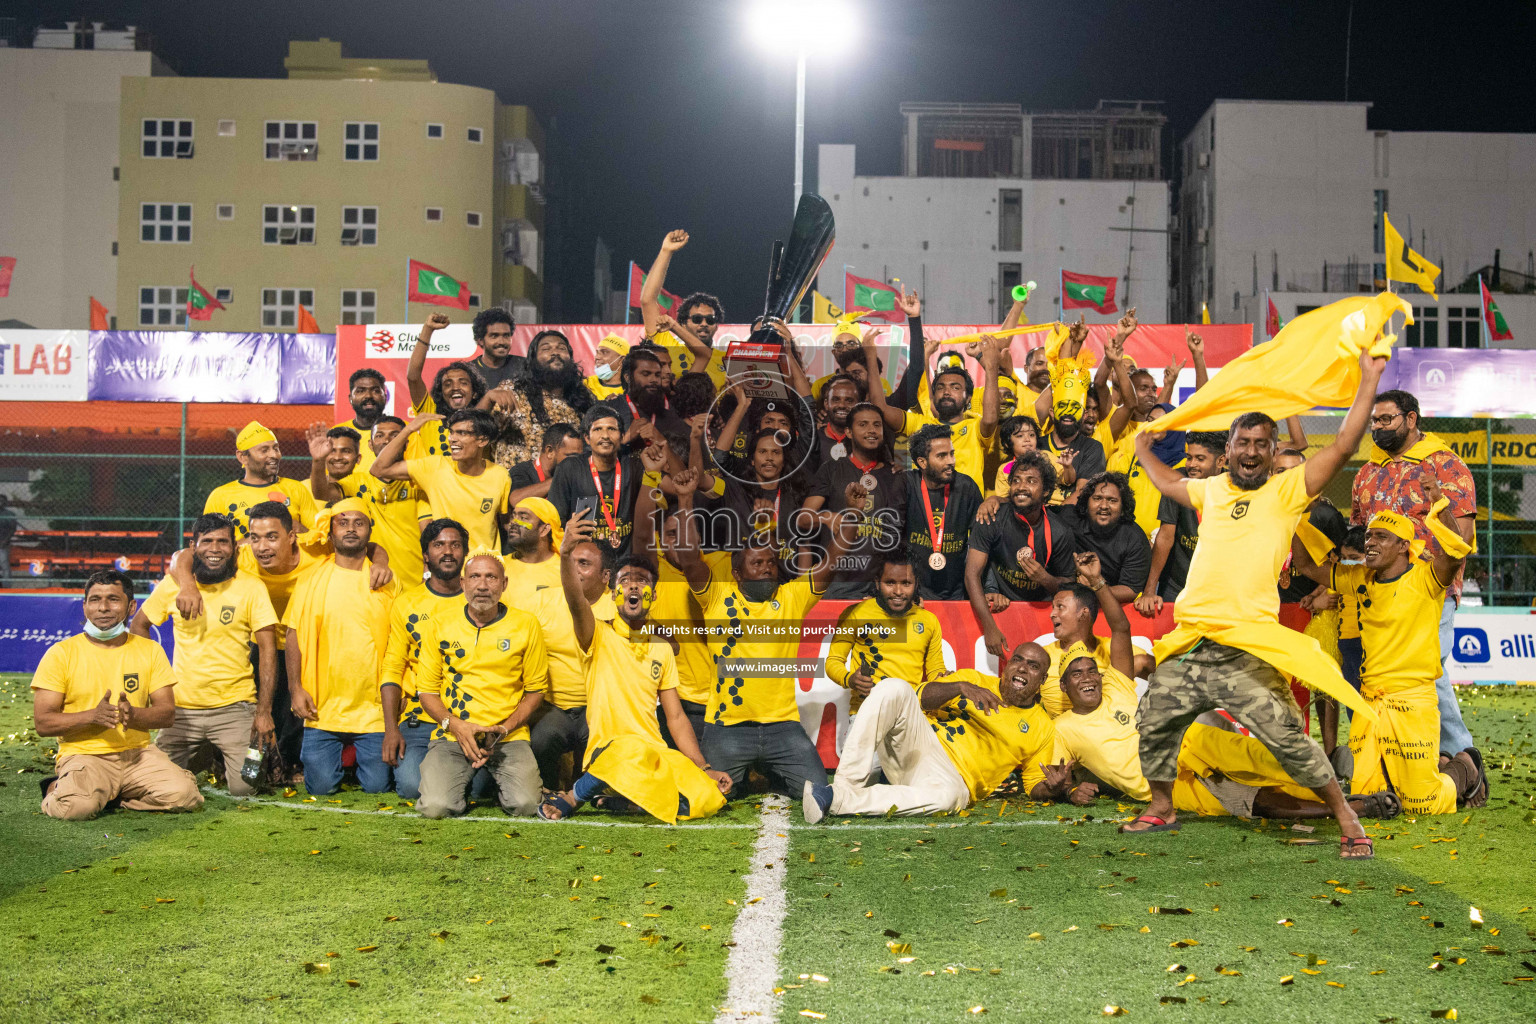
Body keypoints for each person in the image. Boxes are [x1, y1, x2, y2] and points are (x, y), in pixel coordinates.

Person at [1124, 351, 1386, 859]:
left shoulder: (1288, 490)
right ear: (1228, 452)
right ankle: (1162, 806)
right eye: (1242, 443)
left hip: (1245, 650)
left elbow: (1347, 445)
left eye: (1260, 445)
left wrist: (1369, 379)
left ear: (1271, 453)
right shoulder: (1212, 490)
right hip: (1192, 645)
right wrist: (1140, 446)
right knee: (1154, 721)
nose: (1249, 451)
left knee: (1289, 740)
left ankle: (1346, 814)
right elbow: (1168, 483)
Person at [1051, 556, 1349, 820]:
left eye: (1092, 671)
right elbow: (1047, 779)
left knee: (1258, 758)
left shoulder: (1114, 683)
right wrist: (1069, 789)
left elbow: (1121, 628)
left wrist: (1099, 582)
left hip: (1187, 742)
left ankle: (1337, 784)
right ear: (1063, 686)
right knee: (1250, 802)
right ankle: (1353, 805)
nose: (1088, 678)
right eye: (1077, 675)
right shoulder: (1061, 727)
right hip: (1160, 784)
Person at [668, 475, 863, 799]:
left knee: (818, 792)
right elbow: (690, 559)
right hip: (728, 729)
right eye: (756, 563)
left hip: (783, 729)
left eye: (771, 562)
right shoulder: (717, 597)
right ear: (737, 574)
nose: (767, 568)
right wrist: (686, 501)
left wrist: (853, 514)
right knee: (707, 796)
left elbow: (831, 560)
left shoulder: (791, 597)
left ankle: (765, 775)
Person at [1294, 481, 1484, 813]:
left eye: (1381, 537)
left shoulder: (1427, 577)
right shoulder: (1357, 578)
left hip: (1413, 701)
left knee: (1421, 804)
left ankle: (1466, 767)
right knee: (1368, 799)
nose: (1370, 542)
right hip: (1370, 702)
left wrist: (1440, 504)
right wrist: (1293, 516)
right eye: (1369, 536)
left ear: (1402, 547)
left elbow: (1456, 550)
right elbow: (1307, 566)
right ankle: (1435, 763)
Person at [166, 500, 389, 782]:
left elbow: (368, 546)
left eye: (272, 537)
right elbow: (183, 555)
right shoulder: (243, 556)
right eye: (255, 538)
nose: (262, 547)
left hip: (305, 645)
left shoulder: (314, 547)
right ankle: (234, 761)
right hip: (261, 645)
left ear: (291, 537)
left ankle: (291, 764)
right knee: (260, 713)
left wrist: (380, 563)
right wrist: (187, 583)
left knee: (296, 712)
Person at [539, 513, 732, 822]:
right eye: (624, 580)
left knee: (709, 796)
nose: (632, 586)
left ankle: (621, 802)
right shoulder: (596, 633)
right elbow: (575, 599)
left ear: (652, 596)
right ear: (613, 593)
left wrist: (703, 768)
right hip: (610, 756)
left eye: (641, 581)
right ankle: (577, 795)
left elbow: (677, 718)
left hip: (653, 754)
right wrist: (564, 554)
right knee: (630, 747)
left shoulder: (661, 648)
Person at [1350, 387, 1482, 784]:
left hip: (1430, 587)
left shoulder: (1445, 465)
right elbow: (1359, 533)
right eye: (1374, 421)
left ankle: (1463, 758)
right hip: (1379, 593)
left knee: (1428, 670)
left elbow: (1465, 534)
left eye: (1385, 419)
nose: (1377, 427)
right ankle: (1412, 760)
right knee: (1389, 677)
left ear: (1411, 419)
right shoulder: (1366, 472)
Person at [803, 640, 1072, 821]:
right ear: (1008, 664)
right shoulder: (975, 680)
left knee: (948, 799)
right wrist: (959, 687)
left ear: (1042, 680)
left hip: (954, 779)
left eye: (1033, 666)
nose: (1023, 668)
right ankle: (844, 784)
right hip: (918, 746)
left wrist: (1053, 789)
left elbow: (1034, 786)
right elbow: (919, 697)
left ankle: (833, 798)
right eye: (1018, 660)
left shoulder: (1042, 727)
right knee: (894, 687)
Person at [33, 570, 203, 820]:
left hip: (138, 754)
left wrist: (134, 716)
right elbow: (43, 722)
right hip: (85, 754)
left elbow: (166, 714)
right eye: (95, 599)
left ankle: (109, 795)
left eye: (113, 599)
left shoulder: (150, 650)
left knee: (186, 797)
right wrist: (92, 716)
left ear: (131, 606)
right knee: (74, 810)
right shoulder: (60, 654)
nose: (103, 607)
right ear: (84, 606)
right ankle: (55, 786)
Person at [131, 513, 277, 796]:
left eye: (222, 542)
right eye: (207, 541)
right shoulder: (174, 585)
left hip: (235, 708)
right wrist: (154, 681)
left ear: (235, 547)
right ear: (193, 546)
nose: (214, 549)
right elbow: (138, 625)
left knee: (246, 785)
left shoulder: (251, 587)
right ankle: (208, 751)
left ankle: (235, 749)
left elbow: (268, 650)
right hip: (182, 711)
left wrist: (264, 711)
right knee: (149, 782)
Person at [414, 550, 548, 818]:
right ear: (463, 583)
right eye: (475, 576)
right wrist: (455, 726)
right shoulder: (440, 624)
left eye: (491, 577)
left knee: (525, 806)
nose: (483, 585)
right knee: (436, 808)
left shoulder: (526, 624)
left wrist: (505, 729)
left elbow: (536, 690)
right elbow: (426, 692)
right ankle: (467, 783)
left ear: (504, 584)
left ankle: (485, 782)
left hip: (508, 737)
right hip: (454, 735)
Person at [282, 499, 401, 795]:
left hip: (373, 711)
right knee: (320, 788)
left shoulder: (386, 580)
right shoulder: (310, 580)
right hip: (322, 709)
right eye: (343, 522)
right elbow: (293, 635)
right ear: (331, 531)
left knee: (377, 787)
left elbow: (401, 644)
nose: (351, 529)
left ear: (370, 532)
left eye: (359, 523)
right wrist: (296, 688)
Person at [523, 519, 616, 792]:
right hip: (555, 708)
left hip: (602, 710)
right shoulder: (542, 601)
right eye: (571, 561)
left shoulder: (620, 607)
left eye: (584, 564)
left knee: (600, 754)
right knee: (541, 740)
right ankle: (549, 789)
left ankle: (583, 790)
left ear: (606, 576)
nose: (574, 570)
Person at [380, 518, 468, 801]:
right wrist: (391, 729)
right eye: (439, 544)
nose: (448, 551)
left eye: (455, 545)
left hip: (466, 718)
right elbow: (393, 667)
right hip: (419, 720)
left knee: (476, 789)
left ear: (465, 553)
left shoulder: (478, 599)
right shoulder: (407, 603)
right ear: (426, 555)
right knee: (409, 787)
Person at [966, 451, 1079, 659]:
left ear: (1046, 491)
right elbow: (971, 574)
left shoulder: (1060, 531)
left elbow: (1070, 586)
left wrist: (1045, 578)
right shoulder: (991, 518)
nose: (1021, 487)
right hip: (1001, 607)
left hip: (1044, 613)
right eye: (1016, 480)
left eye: (1031, 481)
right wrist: (989, 627)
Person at [867, 319, 1002, 493]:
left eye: (955, 387)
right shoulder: (921, 425)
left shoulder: (974, 426)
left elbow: (991, 417)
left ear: (968, 398)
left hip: (968, 513)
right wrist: (870, 356)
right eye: (940, 387)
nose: (946, 391)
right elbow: (880, 408)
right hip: (927, 513)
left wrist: (991, 367)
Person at [371, 408, 511, 554]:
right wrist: (409, 429)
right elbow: (379, 469)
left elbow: (506, 524)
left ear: (482, 440)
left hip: (484, 570)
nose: (452, 438)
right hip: (448, 569)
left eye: (462, 433)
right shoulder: (434, 468)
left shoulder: (500, 476)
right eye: (452, 432)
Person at [801, 403, 903, 598]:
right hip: (836, 584)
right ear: (848, 431)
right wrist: (824, 517)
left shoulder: (895, 475)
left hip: (877, 588)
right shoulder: (831, 469)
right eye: (863, 425)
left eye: (877, 425)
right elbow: (802, 519)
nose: (872, 430)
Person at [825, 553, 946, 712]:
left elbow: (935, 671)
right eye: (890, 583)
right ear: (877, 582)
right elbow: (833, 661)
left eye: (906, 583)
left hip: (911, 714)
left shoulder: (929, 621)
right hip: (866, 712)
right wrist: (850, 679)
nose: (898, 591)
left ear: (916, 584)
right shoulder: (855, 614)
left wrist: (943, 678)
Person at [1038, 574, 1154, 718]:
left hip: (1109, 732)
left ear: (1083, 613)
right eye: (1053, 607)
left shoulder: (1113, 650)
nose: (1052, 614)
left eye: (1060, 607)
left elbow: (1159, 671)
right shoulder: (1042, 657)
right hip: (1062, 736)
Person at [1137, 430, 1226, 613]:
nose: (1191, 464)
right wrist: (1149, 590)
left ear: (1221, 461)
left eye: (1200, 459)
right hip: (1177, 585)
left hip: (1219, 589)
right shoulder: (1179, 481)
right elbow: (1165, 538)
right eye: (1189, 457)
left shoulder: (1234, 487)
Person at [485, 328, 594, 468]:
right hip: (518, 485)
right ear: (533, 359)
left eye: (561, 348)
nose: (555, 352)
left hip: (565, 485)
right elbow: (476, 432)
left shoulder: (584, 398)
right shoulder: (513, 392)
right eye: (546, 349)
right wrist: (487, 400)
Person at [548, 405, 645, 557]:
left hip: (625, 566)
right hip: (583, 563)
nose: (605, 435)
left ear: (622, 436)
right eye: (598, 429)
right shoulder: (570, 468)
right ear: (587, 438)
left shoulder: (633, 466)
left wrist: (659, 442)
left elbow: (676, 486)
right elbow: (554, 522)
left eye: (611, 429)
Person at [901, 424, 983, 601]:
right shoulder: (906, 485)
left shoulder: (966, 487)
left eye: (951, 453)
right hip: (915, 594)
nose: (951, 461)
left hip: (956, 593)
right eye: (942, 456)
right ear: (922, 462)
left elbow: (983, 542)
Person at [203, 420, 318, 540]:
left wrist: (301, 530)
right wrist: (246, 544)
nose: (274, 455)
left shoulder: (296, 489)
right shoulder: (221, 496)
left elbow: (321, 538)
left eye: (276, 448)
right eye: (264, 450)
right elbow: (209, 544)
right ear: (242, 457)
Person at [404, 313, 489, 460]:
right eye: (448, 384)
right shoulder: (429, 415)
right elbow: (413, 377)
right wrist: (427, 330)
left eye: (463, 382)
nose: (455, 387)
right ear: (441, 392)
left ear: (474, 393)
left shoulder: (484, 421)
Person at [639, 230, 723, 376]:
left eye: (710, 320)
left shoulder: (726, 361)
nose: (703, 324)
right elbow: (648, 300)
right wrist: (666, 251)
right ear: (683, 323)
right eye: (697, 319)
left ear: (716, 326)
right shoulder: (668, 347)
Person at [1059, 471, 1150, 603]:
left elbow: (1130, 589)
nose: (1104, 506)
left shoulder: (1135, 538)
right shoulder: (1067, 518)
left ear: (1123, 506)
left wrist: (1096, 587)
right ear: (1086, 501)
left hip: (1110, 606)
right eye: (1097, 498)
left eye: (1112, 500)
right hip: (1064, 599)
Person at [507, 423, 584, 506]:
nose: (577, 461)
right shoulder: (522, 471)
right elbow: (516, 500)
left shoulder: (577, 476)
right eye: (572, 456)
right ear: (550, 451)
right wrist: (560, 479)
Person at [335, 367, 388, 471]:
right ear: (350, 398)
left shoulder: (403, 431)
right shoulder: (337, 433)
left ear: (385, 397)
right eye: (360, 391)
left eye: (376, 391)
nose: (368, 396)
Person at [809, 374, 862, 470]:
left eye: (849, 401)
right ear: (826, 404)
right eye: (836, 400)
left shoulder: (866, 441)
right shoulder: (811, 440)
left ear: (858, 404)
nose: (842, 405)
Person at [468, 307, 522, 391]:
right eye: (494, 336)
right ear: (481, 340)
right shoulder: (468, 372)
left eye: (506, 335)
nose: (501, 341)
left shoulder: (525, 367)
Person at [304, 425, 364, 499]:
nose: (337, 457)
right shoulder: (303, 488)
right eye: (332, 451)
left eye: (346, 451)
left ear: (358, 458)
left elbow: (324, 494)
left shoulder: (365, 484)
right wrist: (318, 460)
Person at [992, 416, 1040, 497]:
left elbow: (1066, 480)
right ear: (1007, 443)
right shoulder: (1004, 470)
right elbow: (1004, 499)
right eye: (1020, 436)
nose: (1027, 439)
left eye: (1031, 435)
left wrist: (1067, 467)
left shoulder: (1047, 457)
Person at [584, 334, 629, 400]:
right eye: (597, 352)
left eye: (604, 352)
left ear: (621, 360)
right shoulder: (586, 384)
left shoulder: (632, 391)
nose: (597, 357)